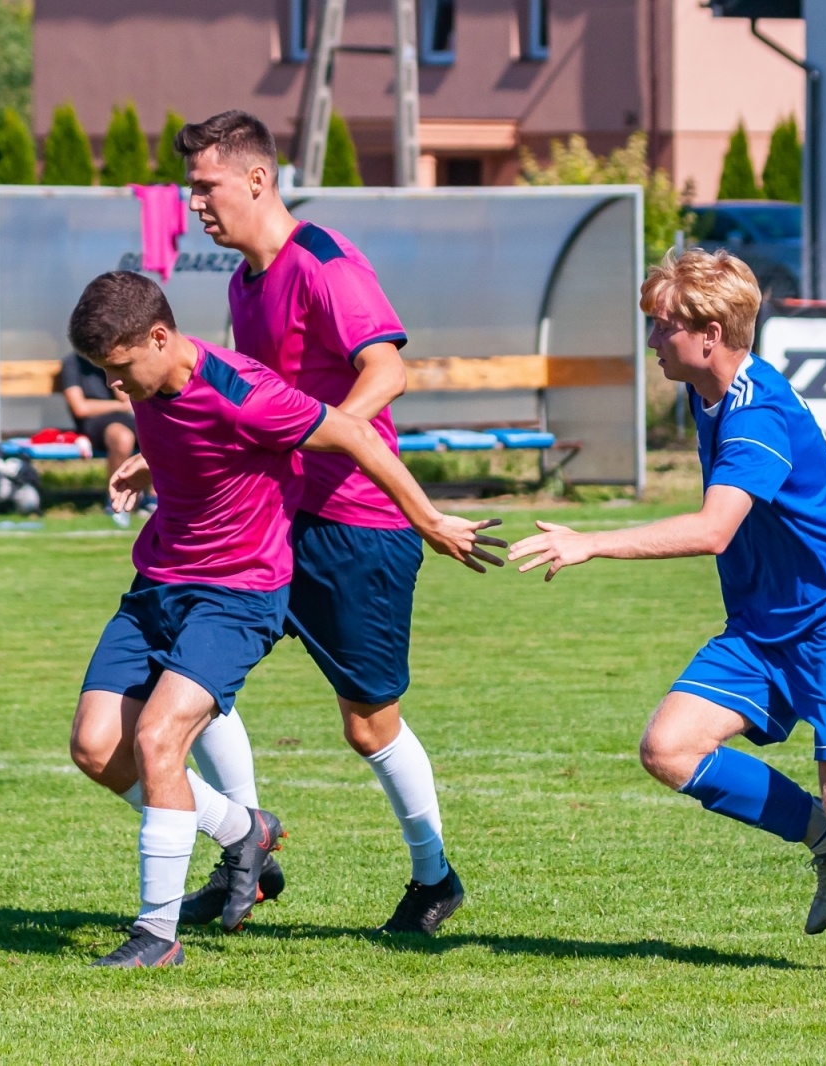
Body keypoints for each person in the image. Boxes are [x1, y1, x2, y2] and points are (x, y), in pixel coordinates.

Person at [508, 248, 826, 979]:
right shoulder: (705, 390)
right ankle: (821, 837)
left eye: (662, 327)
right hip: (763, 626)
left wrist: (592, 541)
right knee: (670, 747)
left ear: (710, 334)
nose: (653, 339)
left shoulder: (758, 417)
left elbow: (712, 528)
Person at [66, 270, 503, 967]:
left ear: (158, 337)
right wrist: (153, 462)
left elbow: (357, 435)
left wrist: (428, 521)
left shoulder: (246, 394)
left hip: (236, 593)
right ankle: (244, 829)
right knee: (93, 747)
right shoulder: (152, 378)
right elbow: (190, 435)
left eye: (121, 370)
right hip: (158, 581)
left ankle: (156, 937)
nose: (117, 386)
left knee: (158, 737)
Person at [130, 109, 465, 935]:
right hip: (274, 517)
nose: (197, 204)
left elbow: (388, 370)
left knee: (368, 723)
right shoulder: (245, 282)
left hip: (356, 524)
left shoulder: (324, 263)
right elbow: (246, 404)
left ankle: (435, 878)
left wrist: (324, 438)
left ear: (257, 180)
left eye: (206, 188)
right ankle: (249, 853)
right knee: (193, 671)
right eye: (190, 189)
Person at [60, 350, 142, 525]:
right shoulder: (73, 363)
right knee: (122, 438)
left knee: (159, 431)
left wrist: (113, 367)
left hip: (126, 418)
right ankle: (116, 500)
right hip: (94, 423)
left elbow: (127, 397)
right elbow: (80, 408)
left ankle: (155, 499)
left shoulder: (114, 360)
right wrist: (119, 406)